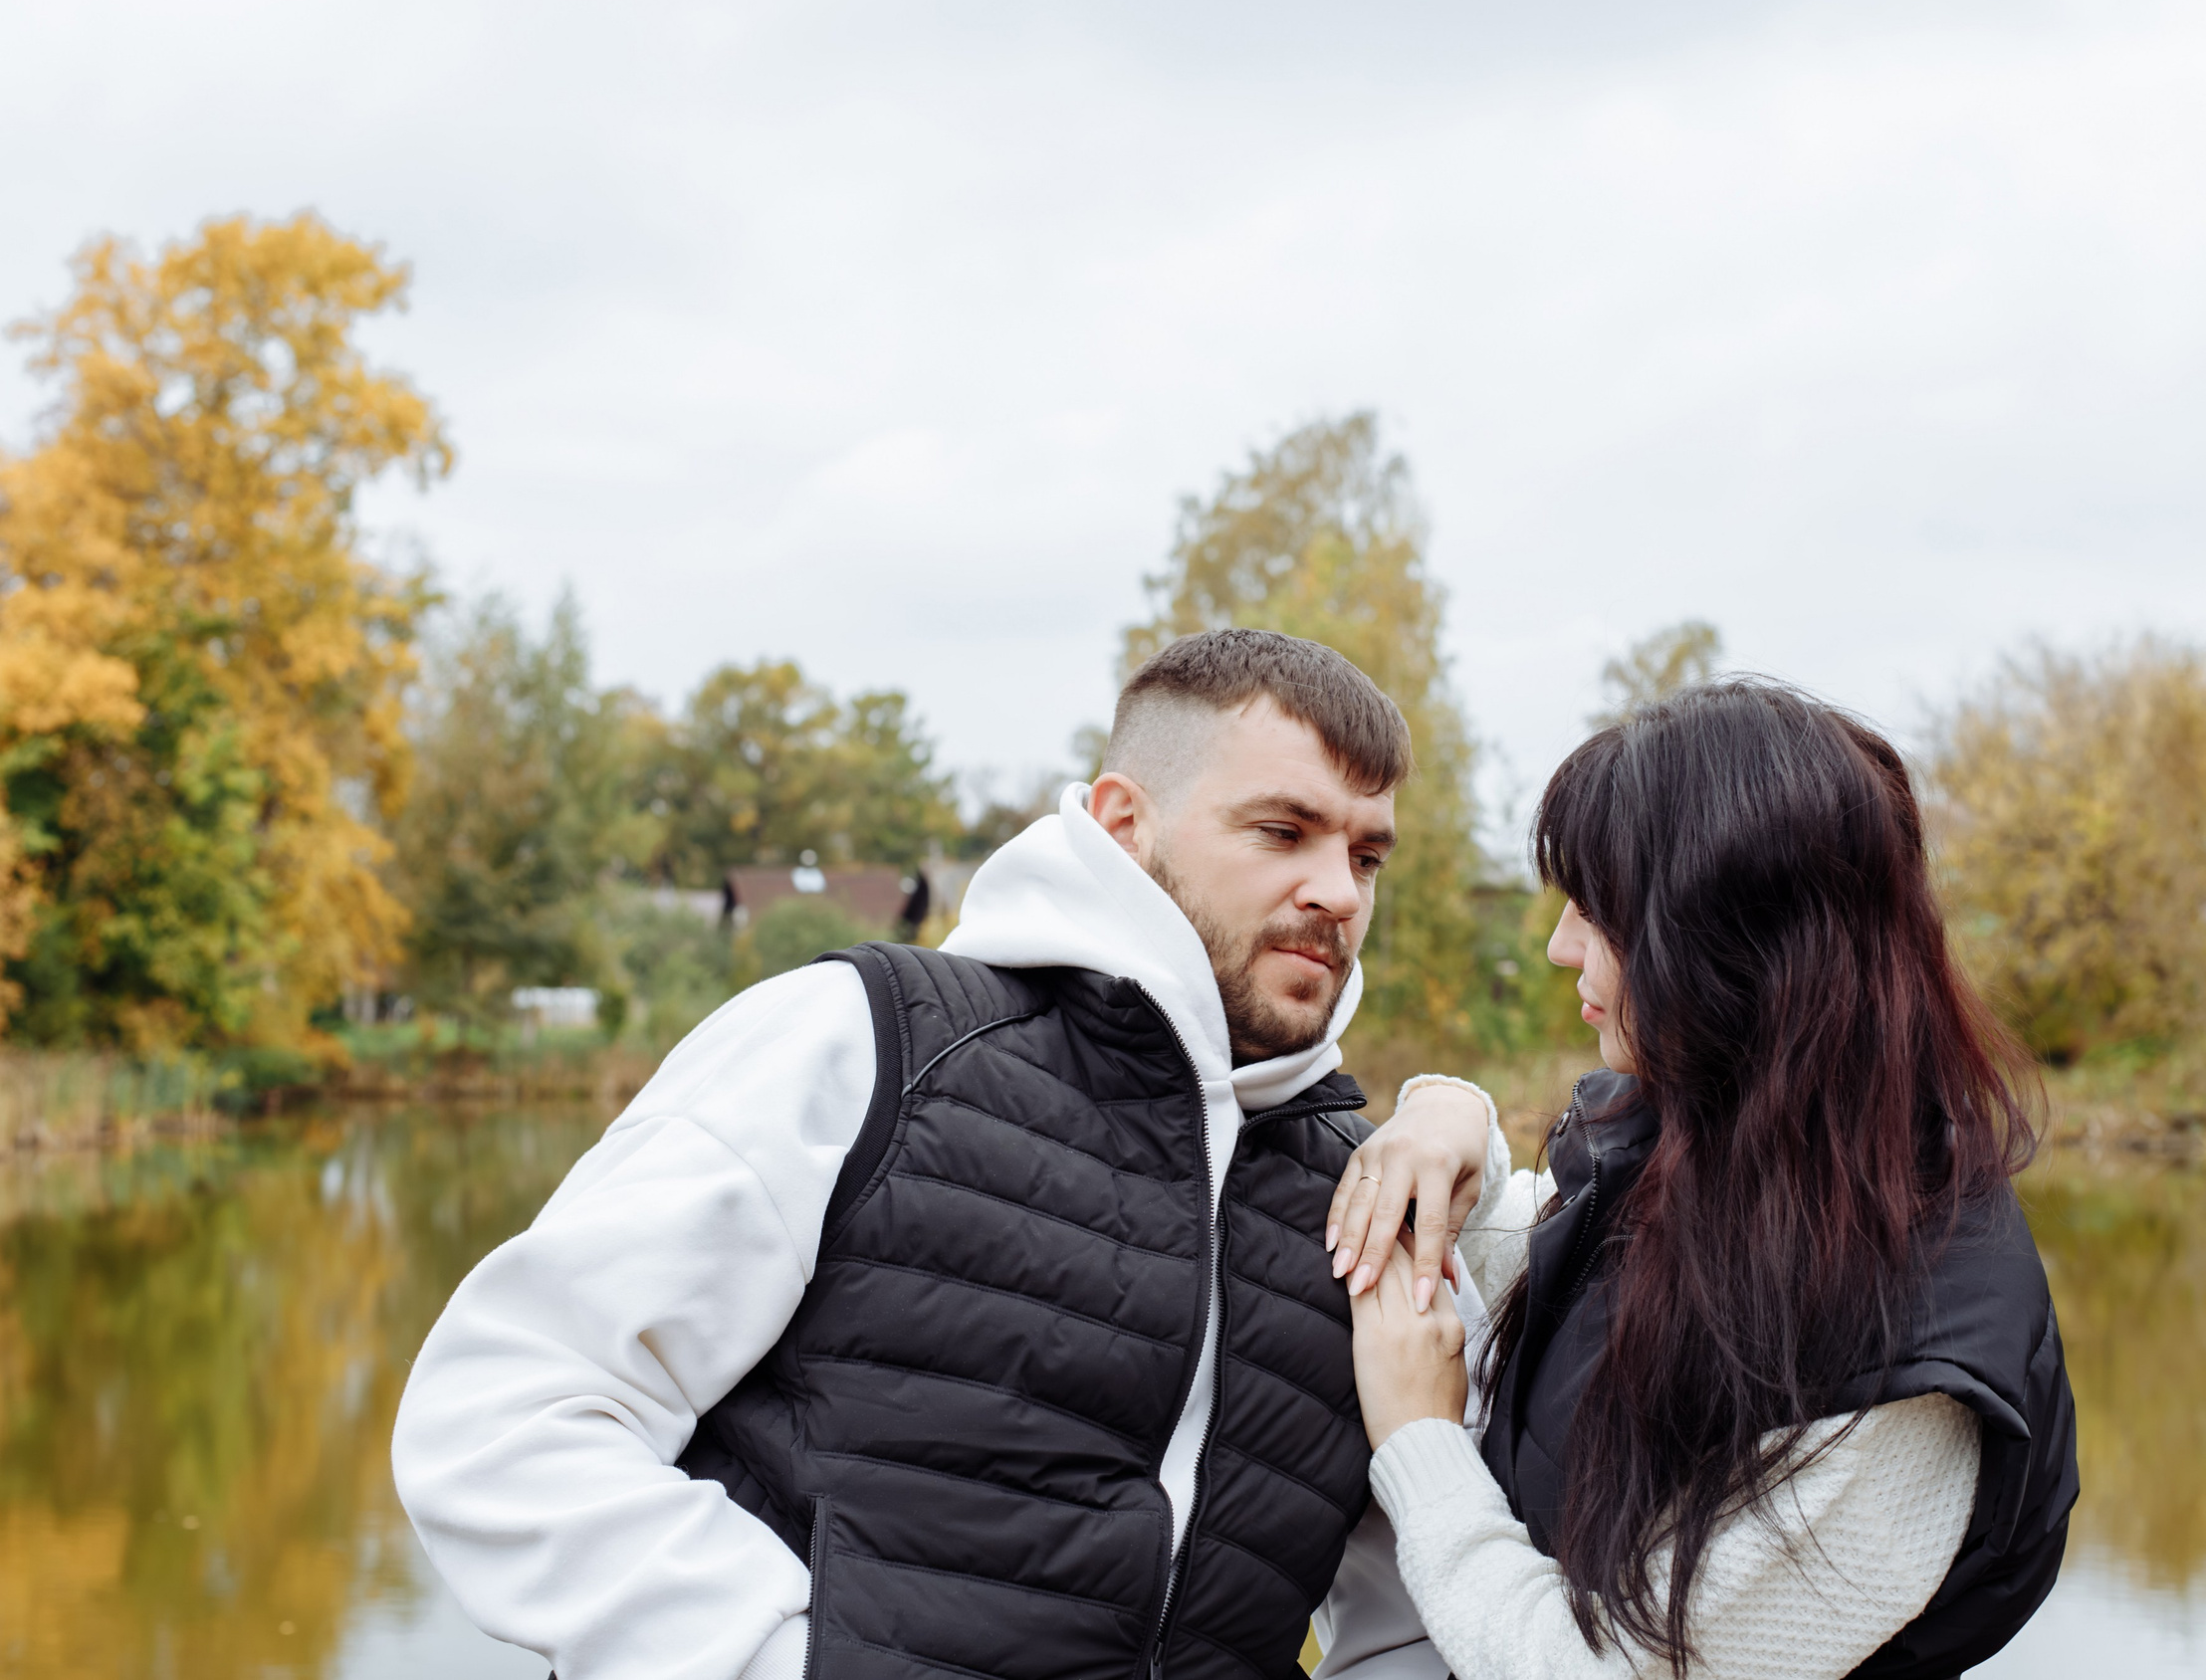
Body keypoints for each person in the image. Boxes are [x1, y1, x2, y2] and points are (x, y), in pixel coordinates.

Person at [392, 629, 1503, 1680]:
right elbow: (506, 1412)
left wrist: (1461, 1120)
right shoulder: (865, 1038)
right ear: (1124, 826)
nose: (1338, 894)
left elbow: (1400, 1613)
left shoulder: (1362, 1193)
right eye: (1281, 832)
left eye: (1367, 855)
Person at [1326, 678, 2079, 1680]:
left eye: (1597, 913)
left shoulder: (1914, 1382)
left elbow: (1591, 1670)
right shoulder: (1705, 1150)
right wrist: (1443, 1111)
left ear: (1732, 943)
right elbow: (1511, 1256)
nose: (1559, 948)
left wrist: (1419, 1440)